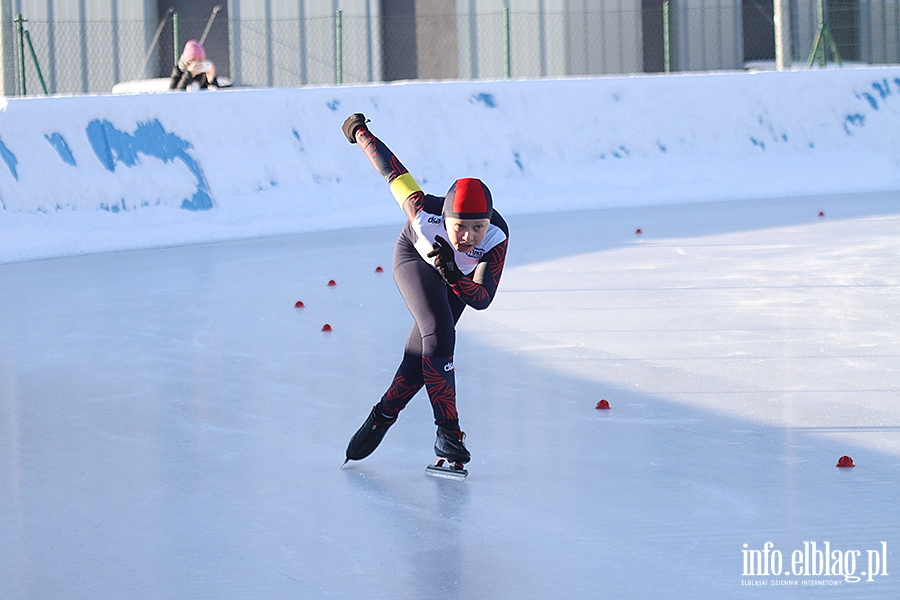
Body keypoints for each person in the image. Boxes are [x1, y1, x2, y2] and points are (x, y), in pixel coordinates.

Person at [341, 113, 509, 471]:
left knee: (422, 359)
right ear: (444, 218)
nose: (468, 237)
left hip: (453, 277)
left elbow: (482, 299)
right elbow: (392, 171)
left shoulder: (497, 236)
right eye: (460, 227)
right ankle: (449, 431)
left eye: (478, 227)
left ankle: (383, 414)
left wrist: (452, 272)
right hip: (415, 260)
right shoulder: (421, 211)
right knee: (440, 331)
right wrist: (359, 132)